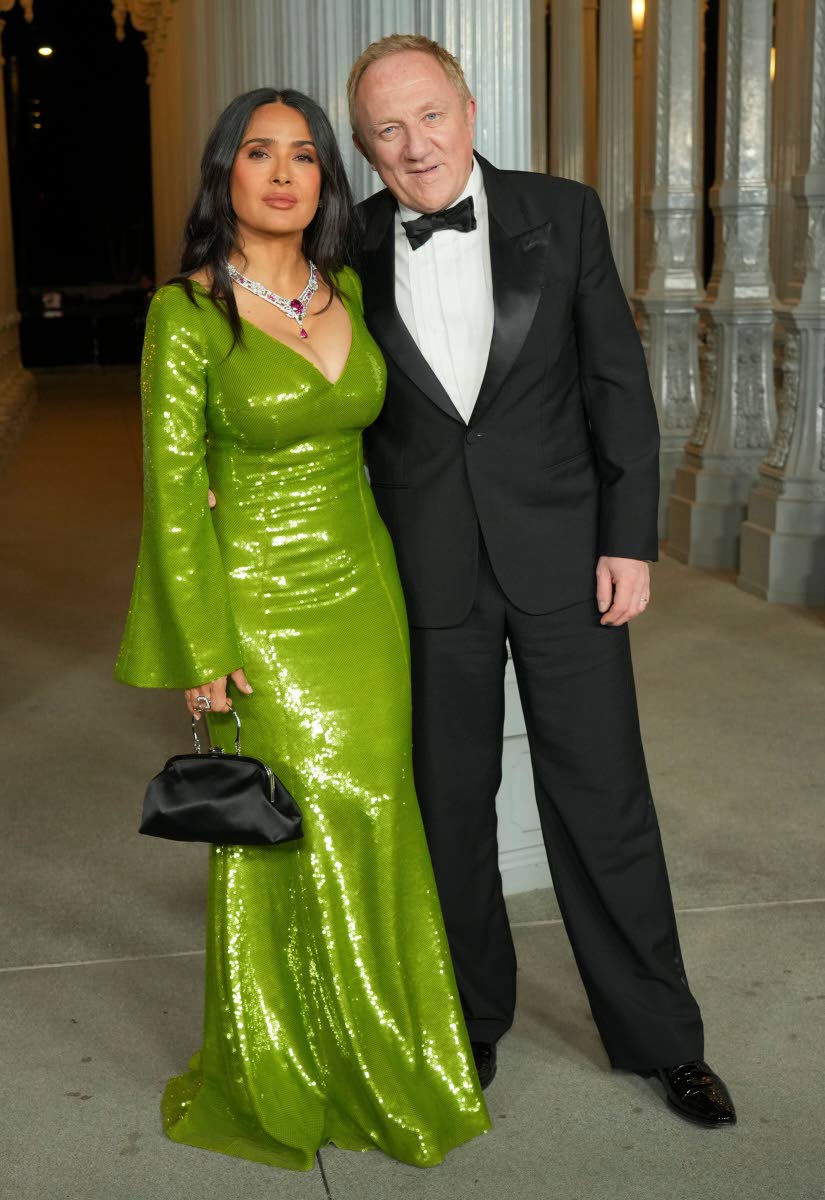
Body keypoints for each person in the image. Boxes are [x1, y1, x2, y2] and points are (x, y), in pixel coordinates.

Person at [347, 34, 737, 1127]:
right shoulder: (351, 241)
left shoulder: (561, 214)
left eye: (429, 115)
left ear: (469, 110)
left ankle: (663, 1037)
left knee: (604, 802)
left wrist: (629, 538)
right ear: (365, 145)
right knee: (449, 811)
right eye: (387, 127)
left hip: (568, 559)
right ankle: (470, 1025)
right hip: (425, 572)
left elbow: (618, 384)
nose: (414, 144)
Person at [115, 86, 490, 1171]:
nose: (283, 174)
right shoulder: (184, 315)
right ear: (224, 173)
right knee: (283, 827)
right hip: (259, 607)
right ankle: (279, 1062)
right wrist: (201, 648)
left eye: (306, 157)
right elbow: (174, 493)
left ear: (327, 179)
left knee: (376, 809)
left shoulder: (353, 290)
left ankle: (385, 1049)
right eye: (259, 154)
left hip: (363, 593)